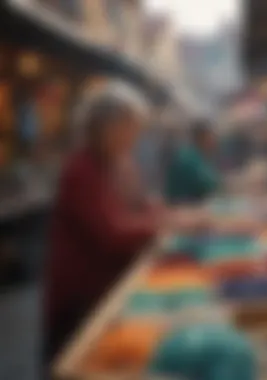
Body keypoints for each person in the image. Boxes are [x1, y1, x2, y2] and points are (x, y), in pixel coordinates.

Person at [43, 84, 160, 369]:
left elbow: (140, 206)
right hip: (81, 296)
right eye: (129, 129)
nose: (133, 138)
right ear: (107, 127)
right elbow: (111, 233)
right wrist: (159, 225)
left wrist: (161, 215)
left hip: (106, 287)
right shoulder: (82, 169)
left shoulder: (116, 162)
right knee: (77, 362)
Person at [164, 120, 221, 204]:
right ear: (202, 137)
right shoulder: (189, 158)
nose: (215, 141)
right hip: (182, 206)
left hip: (189, 204)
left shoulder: (197, 155)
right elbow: (207, 186)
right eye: (211, 136)